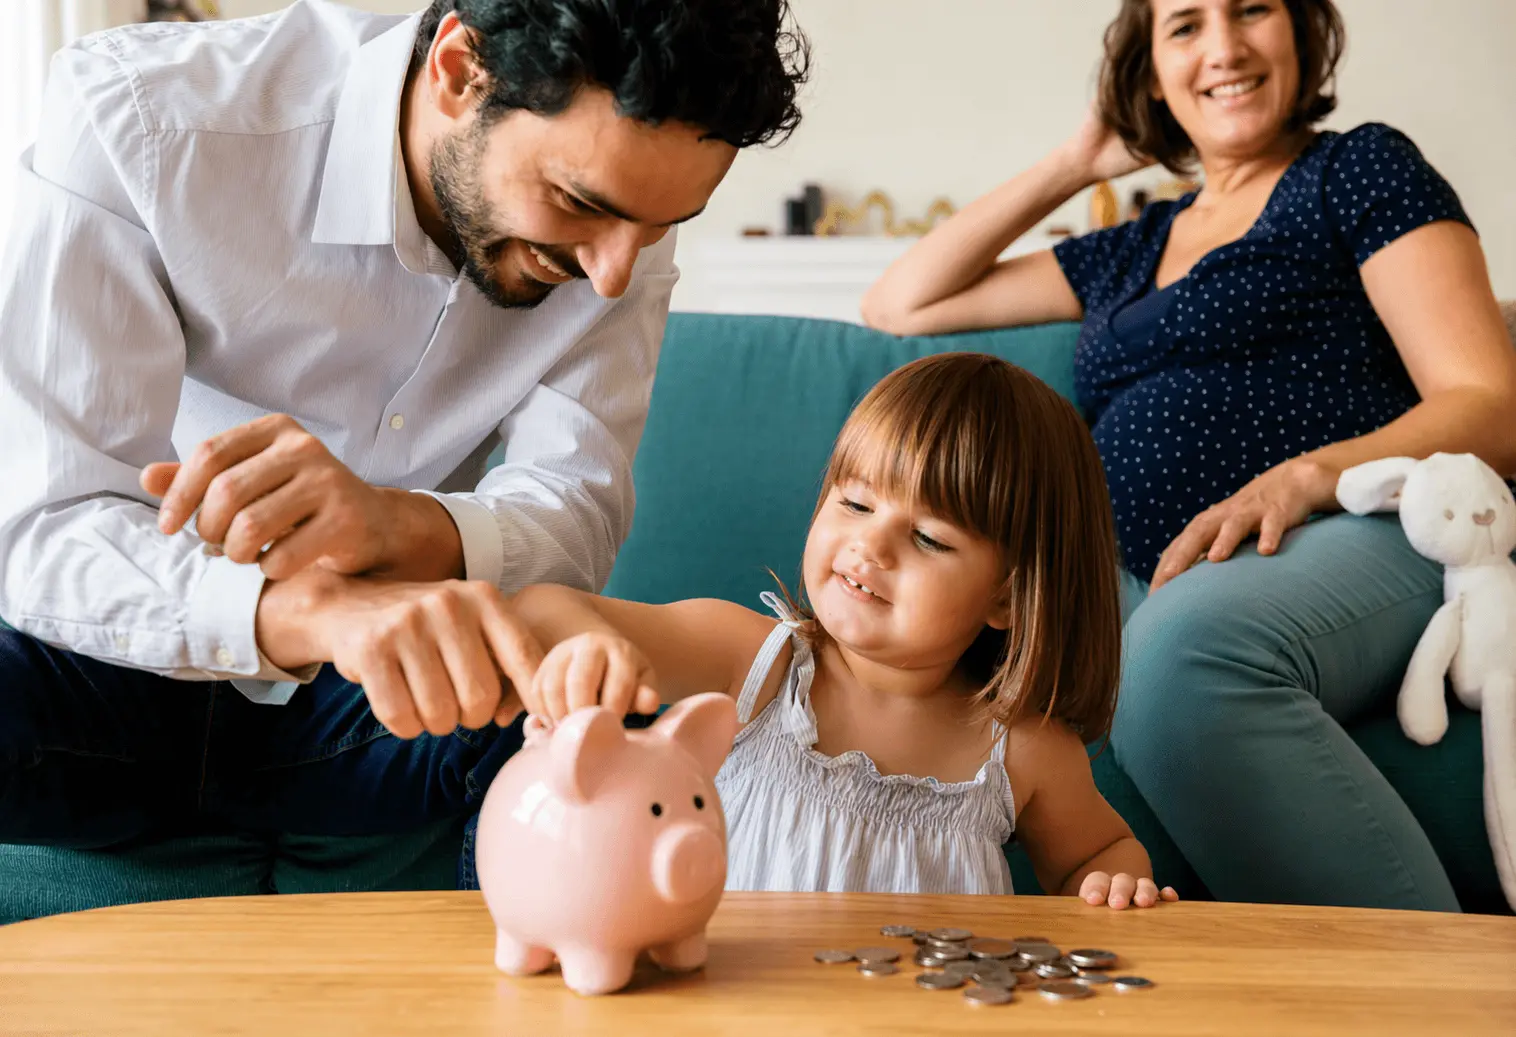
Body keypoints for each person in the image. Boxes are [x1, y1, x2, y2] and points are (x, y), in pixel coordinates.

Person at [0, 0, 807, 857]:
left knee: (595, 726)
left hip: (379, 706)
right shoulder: (143, 120)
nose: (611, 275)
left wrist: (401, 526)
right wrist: (306, 609)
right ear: (459, 72)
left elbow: (575, 514)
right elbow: (41, 524)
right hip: (106, 676)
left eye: (657, 231)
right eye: (577, 203)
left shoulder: (622, 226)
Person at [861, 0, 1516, 910]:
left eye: (1252, 10)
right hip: (1148, 566)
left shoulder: (1357, 169)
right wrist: (1076, 161)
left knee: (1179, 660)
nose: (1224, 46)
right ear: (1151, 73)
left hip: (1352, 526)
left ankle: (1436, 1003)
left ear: (1302, 35)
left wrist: (1307, 474)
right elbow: (901, 304)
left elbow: (1490, 401)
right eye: (1184, 27)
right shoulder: (1134, 245)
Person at [507, 353, 1180, 907]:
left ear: (1007, 597)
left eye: (927, 538)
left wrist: (1114, 884)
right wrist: (589, 649)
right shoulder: (753, 662)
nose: (870, 544)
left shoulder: (1022, 747)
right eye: (854, 502)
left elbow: (1099, 854)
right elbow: (544, 610)